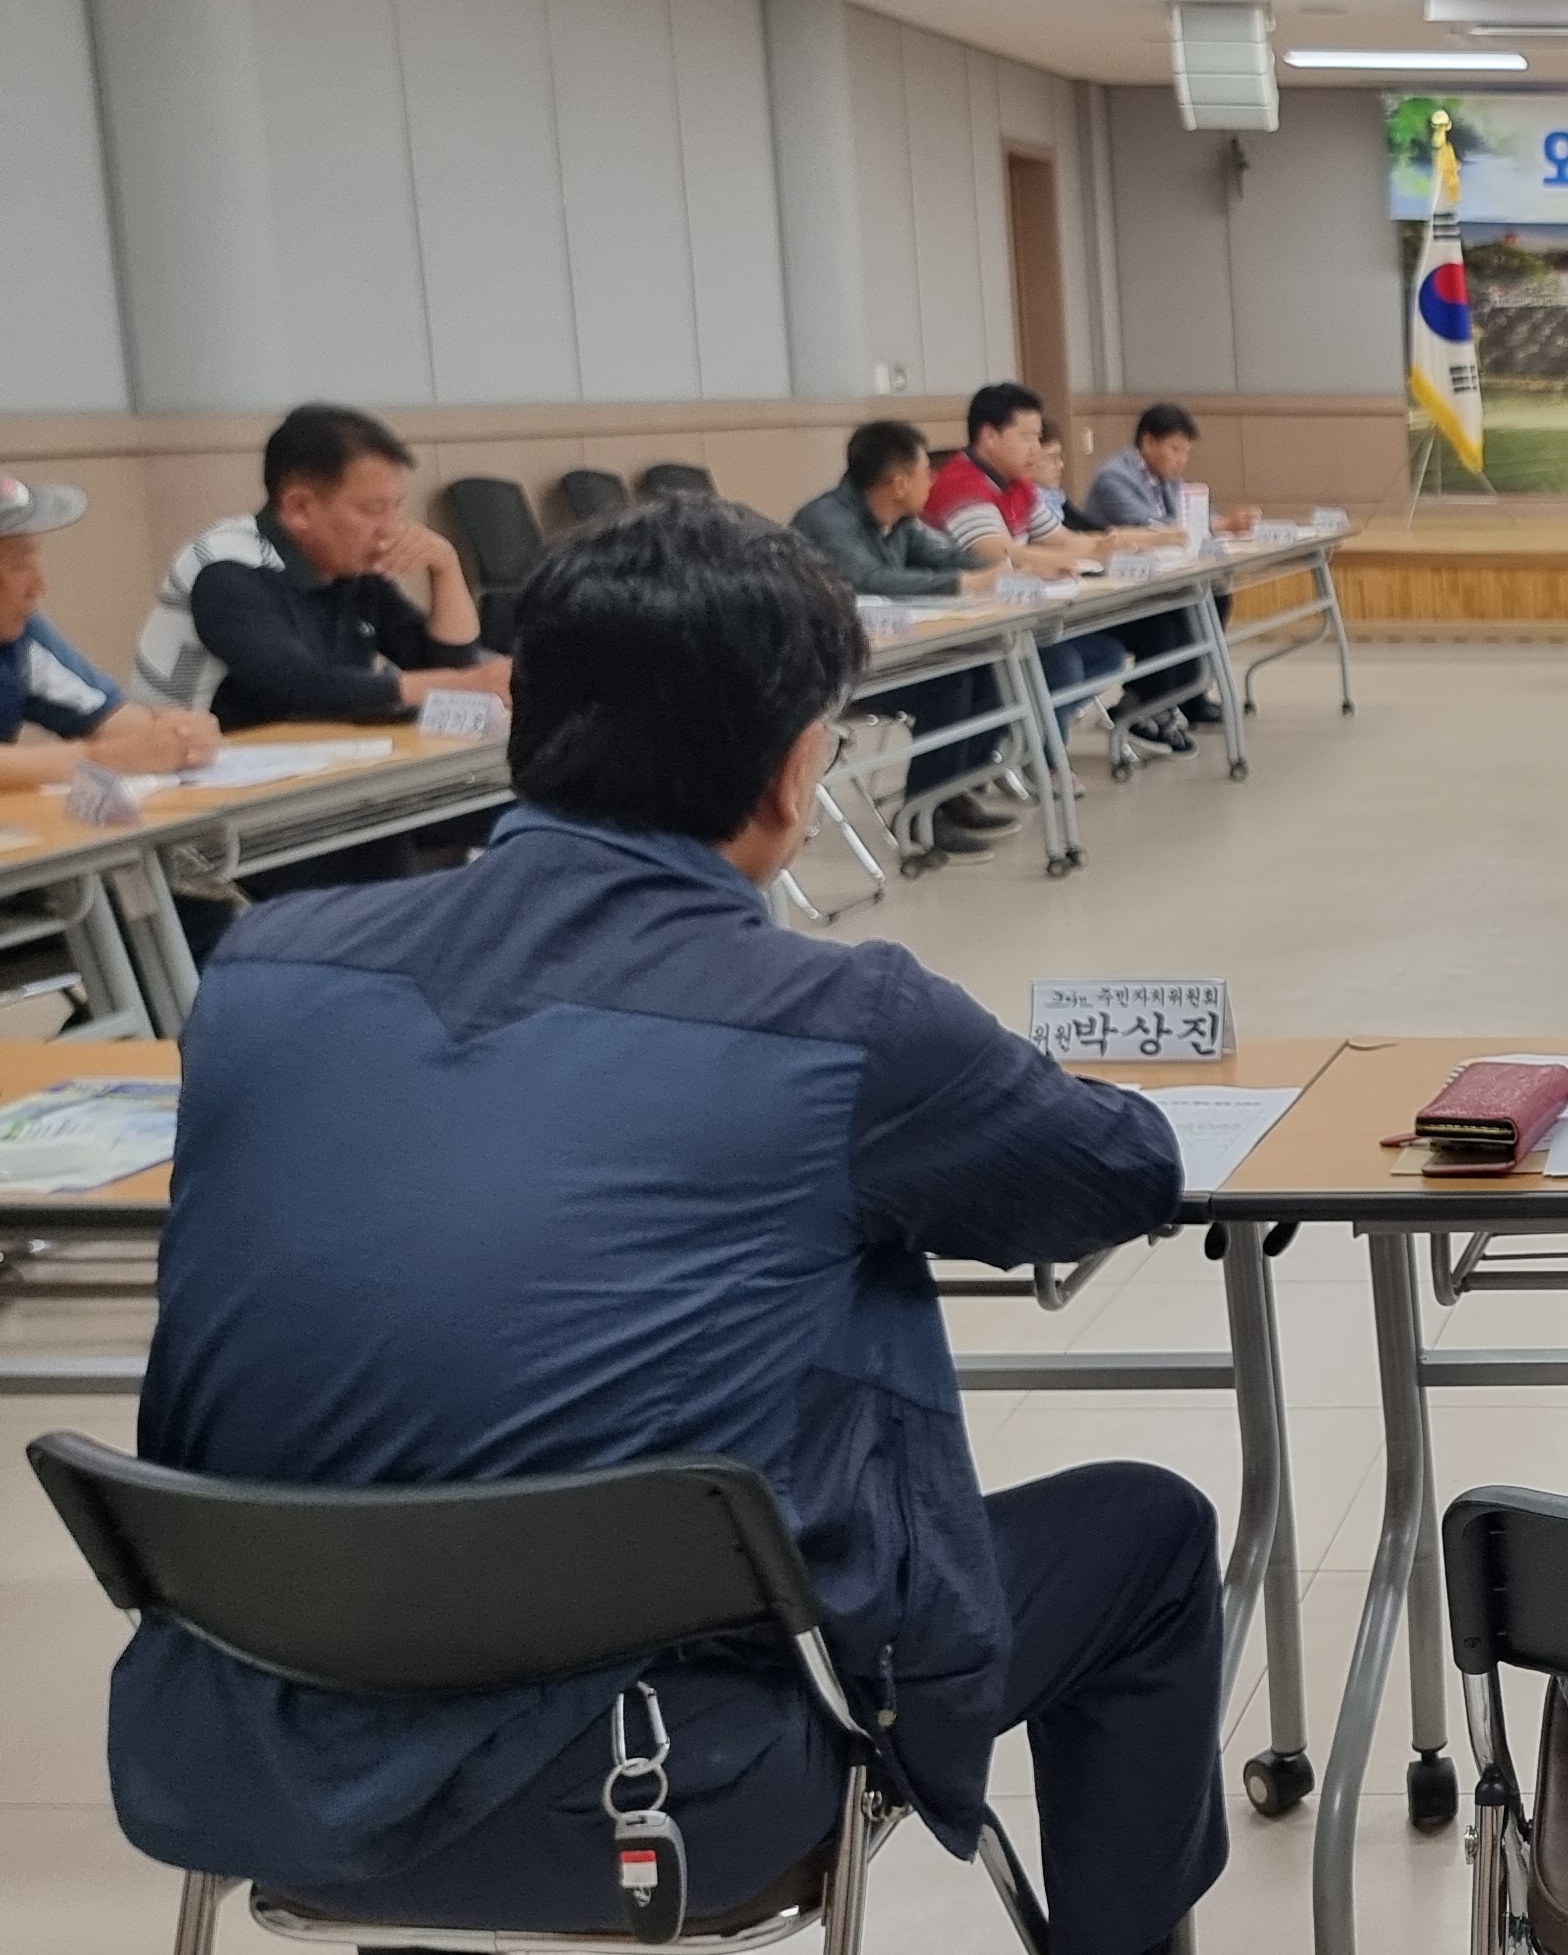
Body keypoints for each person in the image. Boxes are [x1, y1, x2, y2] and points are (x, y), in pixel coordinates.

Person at [114, 497, 1222, 1955]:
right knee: (1146, 1533)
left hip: (253, 1760)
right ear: (790, 771)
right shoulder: (849, 1028)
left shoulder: (261, 976)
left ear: (527, 721)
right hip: (664, 1788)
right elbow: (1120, 1173)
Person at [133, 402, 513, 727]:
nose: (391, 528)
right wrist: (464, 684)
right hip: (196, 777)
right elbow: (298, 688)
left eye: (396, 507)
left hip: (301, 760)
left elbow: (443, 664)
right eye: (372, 509)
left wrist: (445, 567)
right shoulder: (225, 567)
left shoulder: (350, 565)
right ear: (300, 508)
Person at [791, 417, 1023, 860]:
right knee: (949, 684)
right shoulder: (825, 521)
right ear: (898, 483)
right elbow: (866, 579)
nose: (931, 481)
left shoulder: (900, 522)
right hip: (833, 672)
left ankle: (951, 794)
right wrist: (964, 585)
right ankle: (920, 814)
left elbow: (943, 557)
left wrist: (1008, 569)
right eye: (924, 472)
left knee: (988, 668)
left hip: (890, 656)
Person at [924, 382, 1134, 742]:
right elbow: (996, 551)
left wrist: (1105, 546)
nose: (1036, 449)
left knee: (1106, 655)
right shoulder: (959, 484)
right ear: (989, 436)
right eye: (1026, 438)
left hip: (1012, 619)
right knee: (1062, 665)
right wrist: (1059, 560)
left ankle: (1019, 744)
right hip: (963, 628)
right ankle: (1039, 757)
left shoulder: (1017, 484)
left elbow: (1064, 538)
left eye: (1037, 438)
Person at [0, 473, 220, 785]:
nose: (39, 585)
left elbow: (115, 721)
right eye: (20, 564)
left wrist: (181, 736)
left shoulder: (18, 638)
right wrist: (108, 759)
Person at [1080, 402, 1259, 753]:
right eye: (1175, 449)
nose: (1181, 460)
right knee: (1171, 617)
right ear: (1147, 442)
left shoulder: (1168, 479)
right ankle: (1143, 705)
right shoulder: (1113, 479)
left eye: (1186, 452)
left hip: (1156, 580)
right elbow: (1155, 528)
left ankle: (1189, 694)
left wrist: (1222, 523)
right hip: (1118, 591)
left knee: (1215, 595)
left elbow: (1193, 520)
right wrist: (1220, 526)